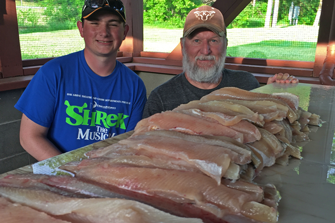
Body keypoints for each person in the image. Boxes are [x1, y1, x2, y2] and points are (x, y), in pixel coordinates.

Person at [14, 0, 147, 161]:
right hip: (58, 173)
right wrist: (72, 171)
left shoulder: (134, 85)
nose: (104, 32)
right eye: (94, 23)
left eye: (112, 24)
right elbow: (29, 137)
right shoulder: (53, 73)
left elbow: (129, 143)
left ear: (124, 31)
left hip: (107, 172)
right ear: (81, 29)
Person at [142, 5, 298, 118]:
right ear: (183, 46)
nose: (205, 51)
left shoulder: (246, 84)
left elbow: (266, 135)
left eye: (214, 41)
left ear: (226, 45)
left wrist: (272, 97)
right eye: (196, 40)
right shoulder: (161, 99)